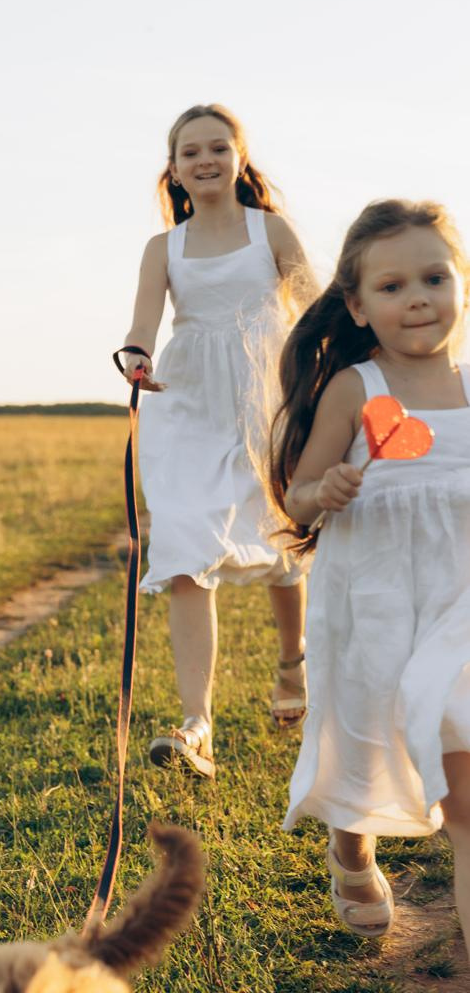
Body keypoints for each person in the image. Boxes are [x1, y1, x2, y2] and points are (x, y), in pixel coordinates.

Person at [269, 198, 470, 953]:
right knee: (364, 740)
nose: (416, 298)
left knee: (466, 805)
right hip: (376, 606)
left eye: (432, 278)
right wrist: (325, 491)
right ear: (355, 304)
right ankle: (350, 848)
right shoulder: (356, 388)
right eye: (391, 287)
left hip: (460, 612)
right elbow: (298, 491)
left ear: (461, 285)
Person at [121, 104, 317, 778]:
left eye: (216, 148)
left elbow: (313, 304)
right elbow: (142, 322)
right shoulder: (164, 247)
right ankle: (195, 724)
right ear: (172, 168)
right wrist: (135, 357)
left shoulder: (271, 231)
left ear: (239, 158)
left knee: (282, 539)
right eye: (189, 152)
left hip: (268, 393)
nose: (203, 160)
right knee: (182, 546)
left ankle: (292, 663)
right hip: (190, 402)